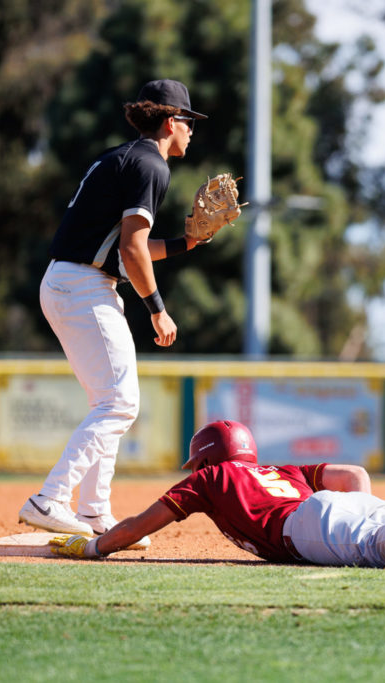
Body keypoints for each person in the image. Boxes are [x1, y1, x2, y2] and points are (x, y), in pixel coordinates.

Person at [19, 79, 233, 541]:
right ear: (171, 121)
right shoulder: (151, 166)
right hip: (82, 285)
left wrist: (186, 243)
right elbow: (133, 250)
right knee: (119, 402)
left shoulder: (122, 157)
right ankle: (50, 499)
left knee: (111, 402)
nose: (192, 132)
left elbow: (120, 250)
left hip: (74, 280)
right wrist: (157, 308)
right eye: (189, 122)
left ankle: (95, 512)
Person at [49, 420, 385, 572]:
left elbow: (141, 524)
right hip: (341, 505)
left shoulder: (211, 481)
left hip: (304, 525)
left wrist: (94, 548)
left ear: (209, 458)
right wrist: (369, 511)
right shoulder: (278, 468)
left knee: (378, 546)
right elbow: (352, 474)